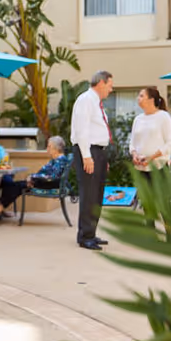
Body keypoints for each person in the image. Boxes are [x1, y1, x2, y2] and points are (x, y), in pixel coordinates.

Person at [70, 70, 114, 251]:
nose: (111, 90)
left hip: (98, 151)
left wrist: (101, 156)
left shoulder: (96, 102)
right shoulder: (86, 100)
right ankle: (85, 236)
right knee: (89, 194)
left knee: (97, 194)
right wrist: (87, 156)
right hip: (88, 150)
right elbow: (82, 130)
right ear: (101, 83)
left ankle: (91, 232)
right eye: (110, 86)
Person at [0, 135, 70, 219]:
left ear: (56, 148)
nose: (47, 148)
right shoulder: (56, 159)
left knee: (16, 186)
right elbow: (46, 174)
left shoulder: (60, 160)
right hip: (43, 182)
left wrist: (33, 178)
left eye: (49, 146)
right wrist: (33, 178)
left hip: (49, 184)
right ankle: (0, 207)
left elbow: (51, 177)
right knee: (11, 184)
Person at [129, 87, 171, 180]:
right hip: (140, 169)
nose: (138, 98)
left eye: (141, 96)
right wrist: (134, 155)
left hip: (159, 168)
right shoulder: (138, 119)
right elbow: (132, 143)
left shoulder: (163, 116)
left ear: (151, 100)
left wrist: (151, 158)